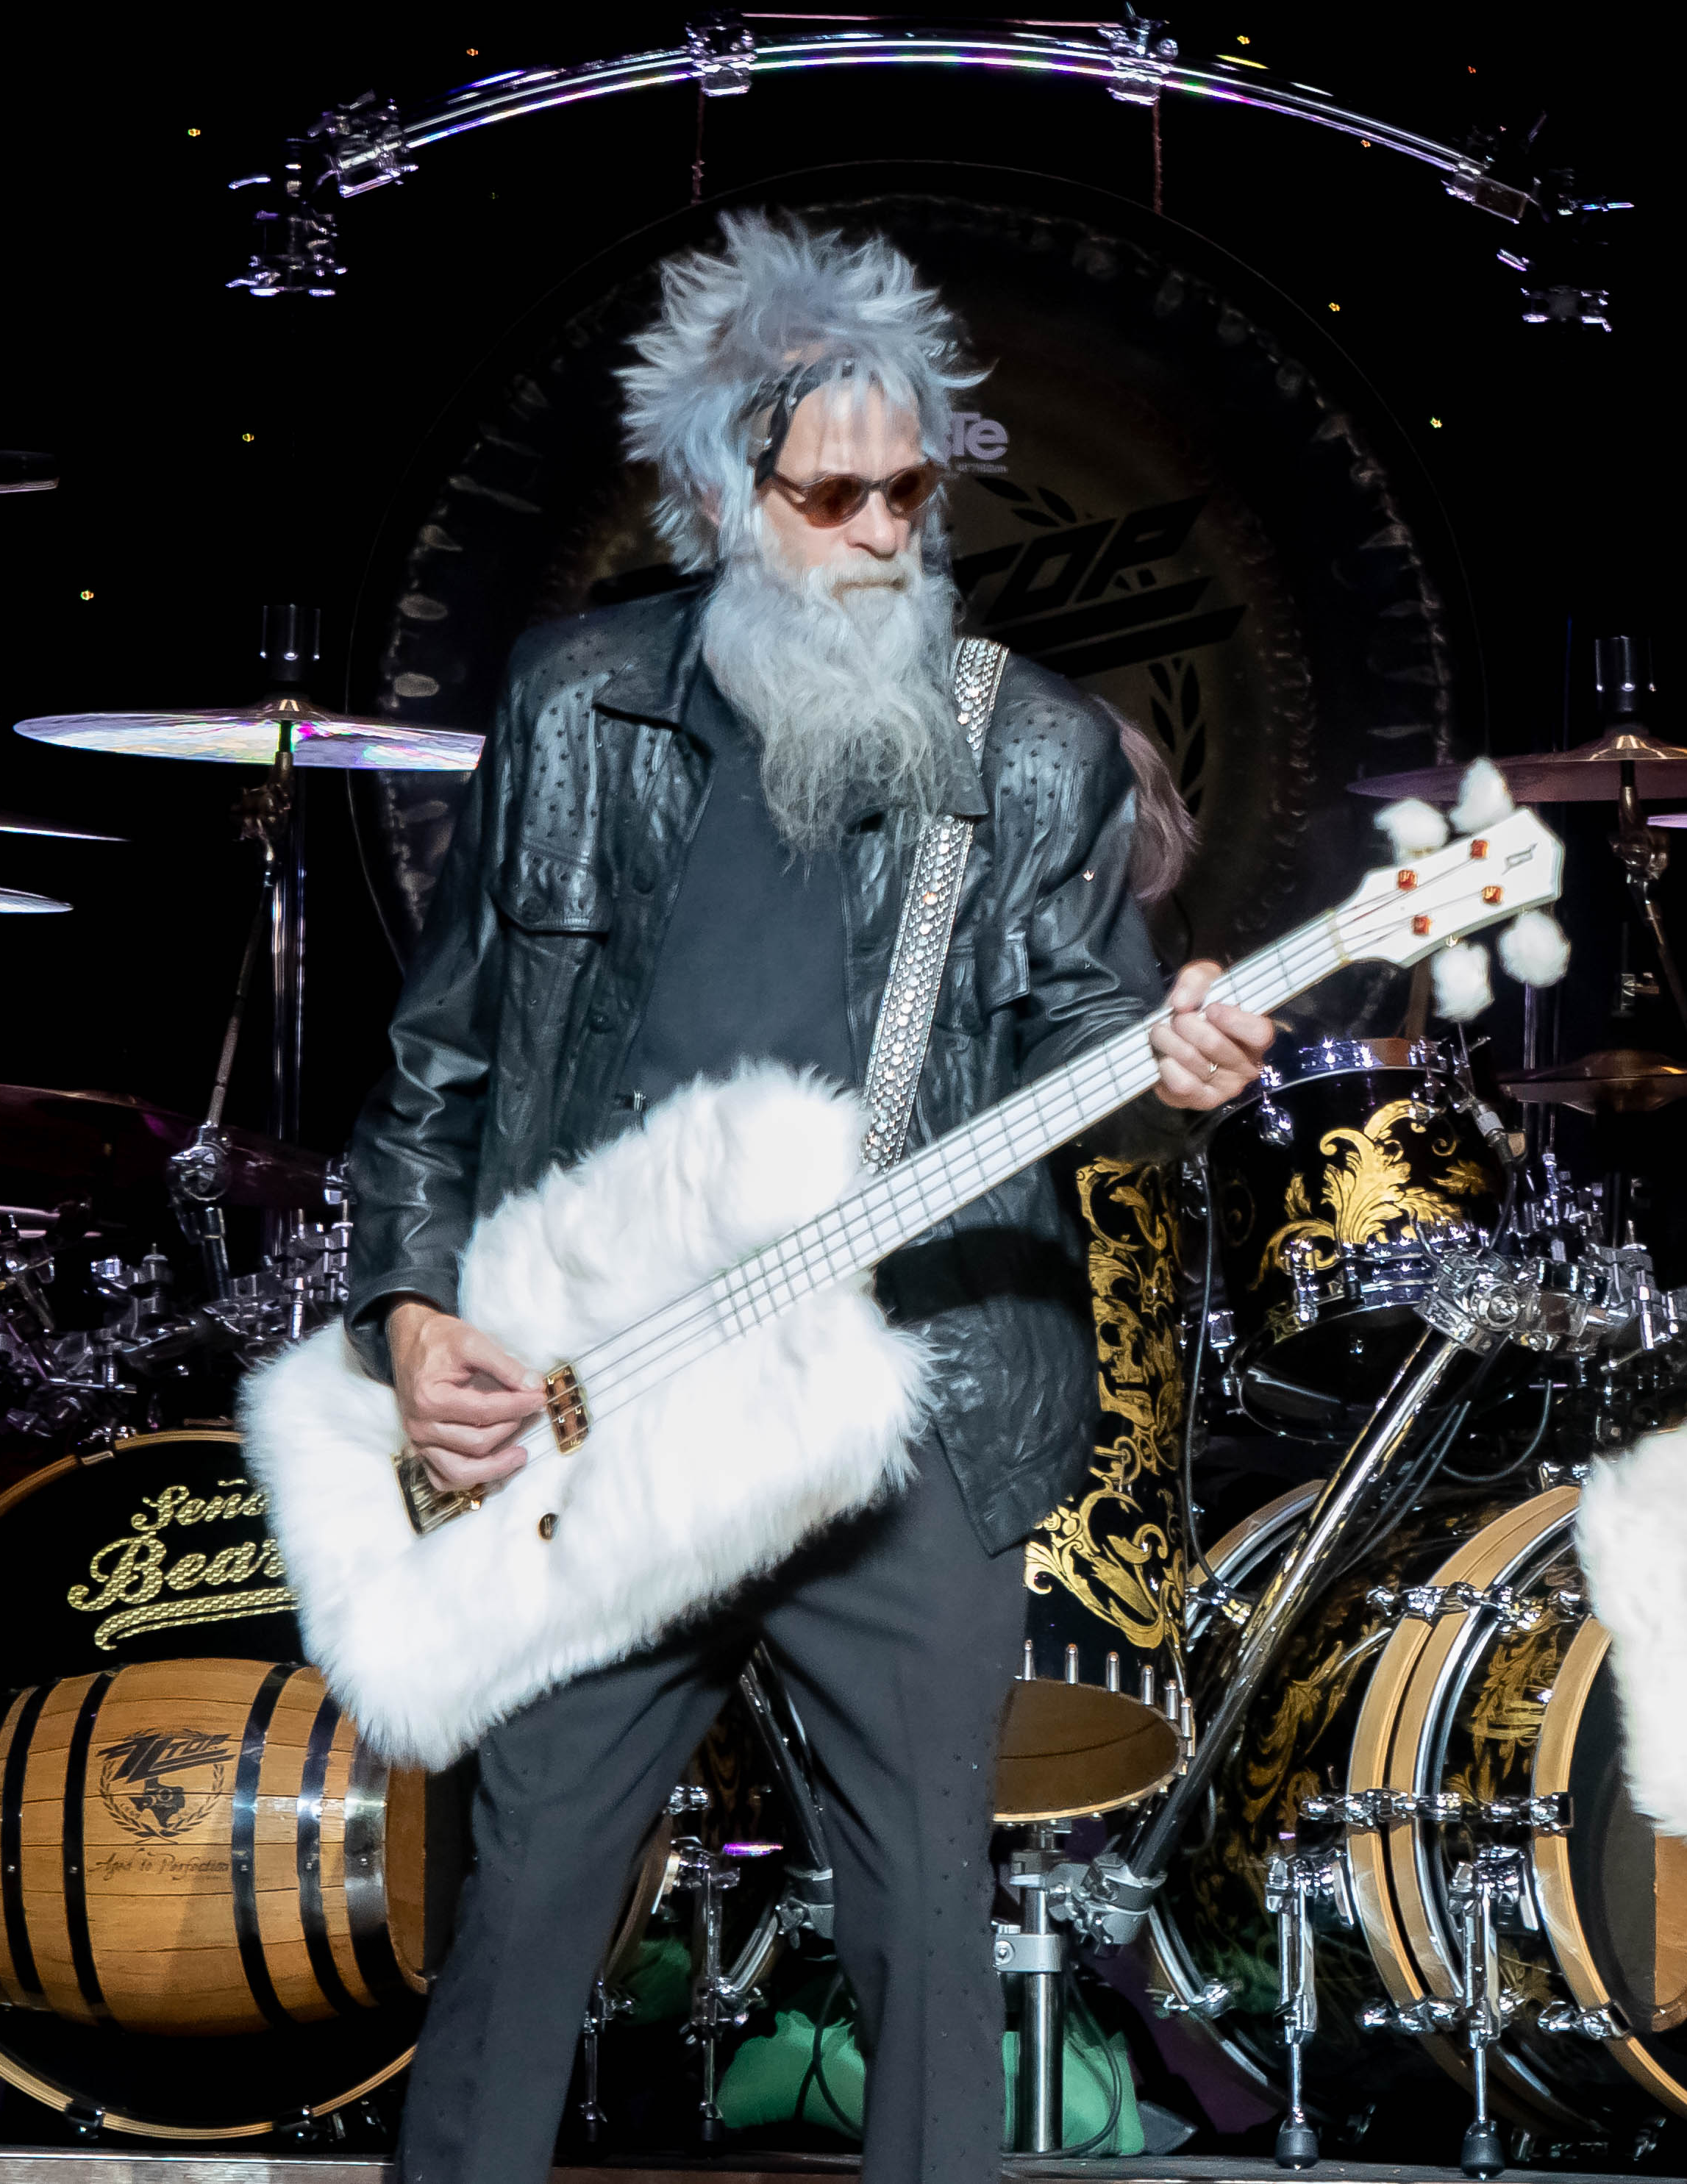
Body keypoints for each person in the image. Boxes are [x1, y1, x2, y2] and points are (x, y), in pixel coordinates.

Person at [338, 210, 1274, 2184]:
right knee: (527, 1900)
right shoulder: (575, 704)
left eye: (910, 493)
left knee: (925, 1922)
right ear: (713, 495)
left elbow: (1094, 1062)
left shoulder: (1034, 751)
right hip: (611, 1399)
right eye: (831, 495)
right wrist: (414, 1320)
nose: (880, 532)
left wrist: (1173, 1071)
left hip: (905, 1397)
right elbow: (438, 1064)